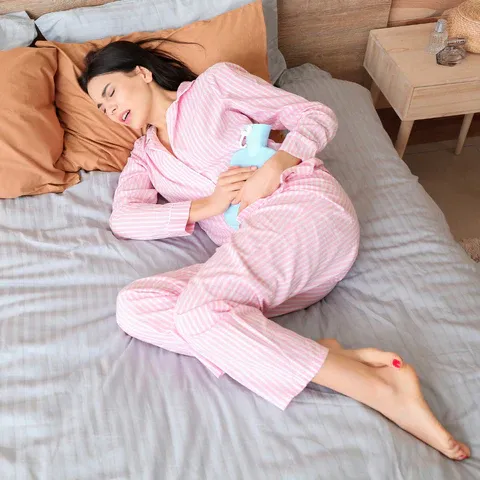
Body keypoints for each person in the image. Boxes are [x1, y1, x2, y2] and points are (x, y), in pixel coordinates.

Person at [79, 40, 469, 461]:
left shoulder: (215, 86)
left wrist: (275, 166)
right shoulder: (145, 157)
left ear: (141, 72)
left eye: (110, 94)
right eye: (100, 109)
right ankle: (322, 356)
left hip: (302, 210)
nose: (110, 111)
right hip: (267, 268)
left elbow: (315, 115)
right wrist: (206, 206)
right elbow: (125, 219)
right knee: (135, 305)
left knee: (196, 311)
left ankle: (378, 388)